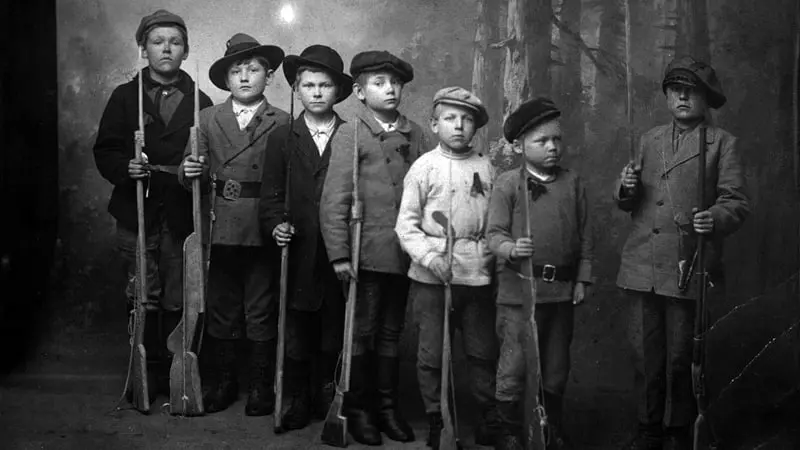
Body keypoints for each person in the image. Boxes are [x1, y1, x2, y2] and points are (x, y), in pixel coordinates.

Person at [615, 56, 749, 450]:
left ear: (707, 99)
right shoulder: (649, 139)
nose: (683, 97)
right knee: (645, 356)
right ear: (667, 96)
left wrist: (715, 217)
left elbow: (737, 201)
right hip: (642, 264)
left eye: (692, 91)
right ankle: (647, 429)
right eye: (675, 90)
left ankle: (677, 431)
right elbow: (631, 202)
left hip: (686, 264)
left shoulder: (722, 144)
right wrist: (625, 187)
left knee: (679, 358)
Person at [93, 9, 212, 402]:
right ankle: (143, 372)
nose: (166, 48)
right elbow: (105, 150)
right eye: (158, 41)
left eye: (175, 42)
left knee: (180, 292)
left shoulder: (201, 101)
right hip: (137, 209)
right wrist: (125, 169)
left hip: (180, 213)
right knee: (143, 290)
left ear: (185, 50)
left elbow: (212, 158)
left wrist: (198, 167)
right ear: (143, 49)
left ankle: (176, 372)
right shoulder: (124, 97)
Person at [319, 50, 431, 446]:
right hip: (364, 253)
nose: (390, 90)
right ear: (359, 91)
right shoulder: (352, 132)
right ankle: (361, 409)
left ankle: (387, 409)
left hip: (404, 252)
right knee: (362, 332)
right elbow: (333, 199)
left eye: (395, 83)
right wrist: (339, 254)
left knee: (391, 332)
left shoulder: (417, 134)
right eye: (379, 83)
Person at [178, 33, 289, 416]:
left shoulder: (284, 121)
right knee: (222, 305)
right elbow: (189, 165)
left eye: (253, 70)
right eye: (236, 71)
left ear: (269, 75)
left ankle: (260, 387)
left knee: (260, 306)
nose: (244, 77)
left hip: (262, 224)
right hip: (219, 223)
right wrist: (188, 168)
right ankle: (223, 383)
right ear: (226, 80)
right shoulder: (207, 119)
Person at [395, 86, 501, 448]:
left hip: (476, 276)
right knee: (431, 354)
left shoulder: (487, 168)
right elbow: (406, 225)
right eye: (450, 118)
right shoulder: (423, 167)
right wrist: (430, 258)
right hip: (431, 277)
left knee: (482, 351)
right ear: (434, 124)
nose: (459, 126)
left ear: (476, 128)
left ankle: (488, 416)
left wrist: (488, 253)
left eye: (467, 120)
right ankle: (436, 417)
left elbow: (496, 222)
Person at [487, 98, 593, 450]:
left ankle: (549, 426)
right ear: (519, 146)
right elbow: (494, 234)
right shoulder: (506, 183)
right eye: (541, 141)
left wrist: (581, 278)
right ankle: (508, 429)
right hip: (519, 292)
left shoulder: (573, 183)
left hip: (561, 292)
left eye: (557, 140)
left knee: (556, 363)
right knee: (515, 363)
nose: (552, 147)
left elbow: (585, 235)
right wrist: (511, 249)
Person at [258, 44, 352, 430]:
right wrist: (274, 224)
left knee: (332, 326)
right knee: (296, 324)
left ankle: (325, 393)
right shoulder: (282, 137)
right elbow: (270, 196)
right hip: (295, 247)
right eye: (308, 85)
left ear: (338, 92)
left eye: (325, 85)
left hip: (335, 248)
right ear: (296, 90)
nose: (316, 92)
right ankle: (295, 397)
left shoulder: (350, 135)